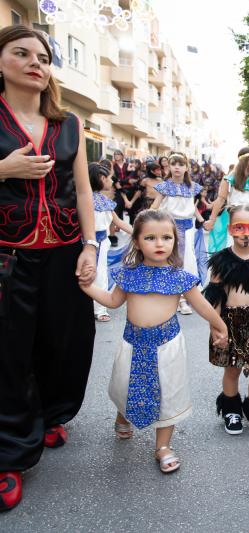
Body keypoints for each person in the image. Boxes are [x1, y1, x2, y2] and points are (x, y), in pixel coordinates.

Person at [0, 25, 98, 511]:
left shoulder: (69, 125)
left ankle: (50, 414)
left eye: (42, 57)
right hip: (8, 254)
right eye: (21, 53)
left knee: (64, 340)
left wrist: (90, 245)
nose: (35, 63)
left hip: (63, 250)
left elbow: (82, 191)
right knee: (9, 352)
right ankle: (10, 453)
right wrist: (4, 170)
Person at [79, 209, 228, 473]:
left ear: (175, 241)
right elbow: (113, 301)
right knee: (125, 385)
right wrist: (87, 287)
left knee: (168, 393)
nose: (159, 244)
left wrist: (219, 325)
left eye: (166, 238)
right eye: (150, 238)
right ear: (137, 242)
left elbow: (201, 305)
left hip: (167, 346)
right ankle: (123, 415)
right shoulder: (128, 274)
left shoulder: (180, 277)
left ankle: (163, 447)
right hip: (132, 343)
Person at [204, 204, 249, 436]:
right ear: (230, 229)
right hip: (228, 323)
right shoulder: (221, 261)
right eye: (239, 227)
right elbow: (214, 297)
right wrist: (215, 327)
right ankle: (231, 409)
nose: (246, 233)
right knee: (232, 370)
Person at [151, 152, 206, 311]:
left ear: (186, 168)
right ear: (168, 166)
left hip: (188, 228)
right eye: (173, 164)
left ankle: (183, 297)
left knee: (187, 261)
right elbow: (155, 206)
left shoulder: (192, 186)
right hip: (169, 229)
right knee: (170, 260)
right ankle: (170, 296)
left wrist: (203, 221)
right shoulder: (164, 186)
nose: (177, 167)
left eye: (181, 164)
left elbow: (192, 207)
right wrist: (146, 221)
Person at [88, 162, 133, 322]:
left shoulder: (104, 200)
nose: (112, 181)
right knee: (90, 274)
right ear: (102, 179)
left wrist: (139, 233)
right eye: (110, 178)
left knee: (100, 274)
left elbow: (118, 222)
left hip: (102, 242)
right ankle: (91, 307)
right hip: (87, 242)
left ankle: (99, 307)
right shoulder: (84, 198)